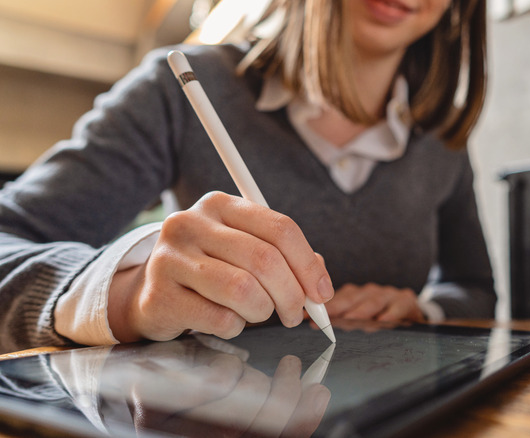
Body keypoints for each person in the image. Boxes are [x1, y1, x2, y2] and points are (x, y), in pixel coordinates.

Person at [0, 0, 495, 354]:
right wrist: (127, 296)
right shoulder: (179, 92)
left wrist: (422, 308)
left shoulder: (442, 137)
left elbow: (474, 287)